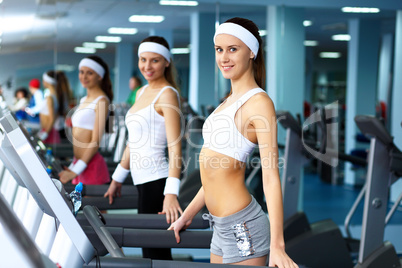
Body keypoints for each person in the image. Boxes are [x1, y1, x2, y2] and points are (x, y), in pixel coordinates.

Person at [168, 18, 298, 268]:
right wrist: (187, 214)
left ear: (251, 51)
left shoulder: (260, 103)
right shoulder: (226, 102)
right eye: (219, 49)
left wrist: (278, 246)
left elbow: (271, 178)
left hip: (243, 226)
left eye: (233, 49)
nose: (224, 58)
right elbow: (214, 176)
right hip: (219, 225)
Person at [104, 36, 182, 260]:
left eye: (155, 61)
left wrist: (171, 193)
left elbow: (175, 148)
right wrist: (117, 178)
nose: (147, 66)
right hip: (141, 180)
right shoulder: (140, 92)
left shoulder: (167, 94)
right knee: (149, 250)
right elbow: (133, 142)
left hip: (157, 180)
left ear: (167, 62)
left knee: (155, 251)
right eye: (143, 59)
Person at [58, 55, 113, 185]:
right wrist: (72, 167)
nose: (84, 77)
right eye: (81, 72)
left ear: (99, 76)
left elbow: (95, 142)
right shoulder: (83, 100)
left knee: (90, 206)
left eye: (90, 73)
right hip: (79, 164)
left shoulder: (102, 101)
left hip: (91, 166)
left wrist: (74, 171)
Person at [37, 70, 68, 144]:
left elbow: (52, 119)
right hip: (48, 131)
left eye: (43, 80)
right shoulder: (54, 96)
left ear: (47, 81)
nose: (43, 82)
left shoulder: (50, 98)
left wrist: (45, 134)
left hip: (49, 132)